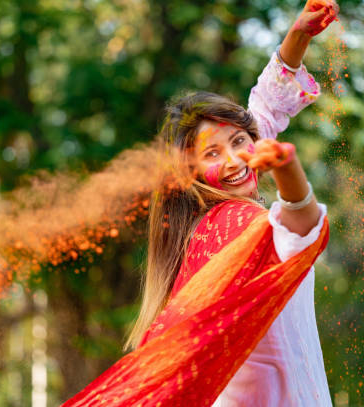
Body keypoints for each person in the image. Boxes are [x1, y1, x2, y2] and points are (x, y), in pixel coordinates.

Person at [62, 1, 339, 406]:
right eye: (211, 154)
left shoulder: (234, 181)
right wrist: (288, 169)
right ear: (189, 175)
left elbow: (264, 106)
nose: (232, 161)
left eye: (239, 143)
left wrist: (298, 35)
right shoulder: (233, 227)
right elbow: (301, 228)